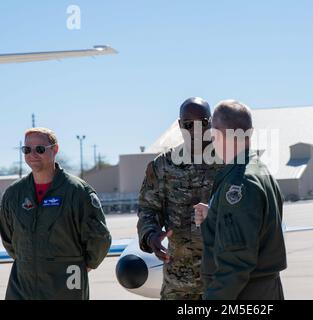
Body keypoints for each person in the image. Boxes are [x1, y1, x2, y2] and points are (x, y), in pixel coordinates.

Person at [0, 128, 111, 300]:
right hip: (23, 286)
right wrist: (31, 261)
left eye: (40, 149)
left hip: (65, 286)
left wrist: (81, 266)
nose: (33, 154)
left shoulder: (77, 192)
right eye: (27, 150)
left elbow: (99, 238)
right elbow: (8, 238)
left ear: (55, 149)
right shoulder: (14, 194)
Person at [195, 99, 287, 300]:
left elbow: (235, 263)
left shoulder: (239, 183)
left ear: (215, 135)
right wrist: (214, 216)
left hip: (243, 293)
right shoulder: (260, 171)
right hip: (263, 288)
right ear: (250, 132)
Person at [137, 97, 222, 300]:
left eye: (202, 123)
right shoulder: (162, 166)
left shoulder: (229, 161)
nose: (195, 130)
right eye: (188, 125)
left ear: (211, 122)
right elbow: (148, 209)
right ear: (179, 125)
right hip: (178, 284)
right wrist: (151, 236)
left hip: (222, 281)